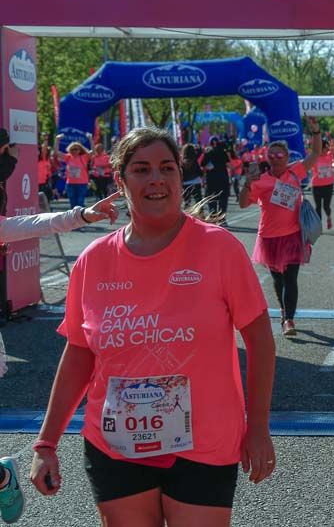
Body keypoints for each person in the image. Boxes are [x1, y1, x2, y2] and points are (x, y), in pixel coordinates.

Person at [25, 127, 276, 526]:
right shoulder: (93, 261)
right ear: (120, 181)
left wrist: (258, 427)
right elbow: (78, 353)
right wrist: (47, 441)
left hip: (205, 443)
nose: (156, 179)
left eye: (166, 168)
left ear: (181, 176)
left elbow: (260, 342)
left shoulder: (219, 248)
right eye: (141, 169)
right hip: (116, 446)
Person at [239, 118, 322, 336]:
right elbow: (242, 203)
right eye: (272, 156)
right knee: (278, 280)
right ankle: (284, 311)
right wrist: (247, 184)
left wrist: (316, 131)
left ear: (287, 157)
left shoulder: (295, 173)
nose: (276, 159)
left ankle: (289, 320)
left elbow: (315, 154)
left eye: (280, 156)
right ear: (267, 158)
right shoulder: (261, 179)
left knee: (291, 279)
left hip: (293, 235)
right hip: (269, 237)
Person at [310, 140, 334, 230]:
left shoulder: (329, 155)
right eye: (325, 148)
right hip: (316, 185)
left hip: (328, 185)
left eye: (327, 148)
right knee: (317, 206)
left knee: (326, 206)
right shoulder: (314, 157)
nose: (326, 150)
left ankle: (329, 217)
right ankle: (319, 225)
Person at [56, 139, 92, 210]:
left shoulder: (83, 157)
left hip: (82, 183)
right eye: (72, 149)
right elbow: (56, 152)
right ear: (69, 150)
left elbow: (92, 152)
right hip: (70, 184)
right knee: (72, 203)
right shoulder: (68, 157)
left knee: (80, 202)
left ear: (79, 150)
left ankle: (80, 218)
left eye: (76, 149)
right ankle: (74, 219)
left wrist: (90, 139)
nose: (74, 151)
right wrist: (57, 140)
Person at [201, 139, 231, 222]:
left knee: (211, 198)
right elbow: (229, 165)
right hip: (223, 178)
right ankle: (222, 218)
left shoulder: (208, 153)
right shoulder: (223, 153)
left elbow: (202, 165)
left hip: (211, 179)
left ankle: (213, 217)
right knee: (223, 199)